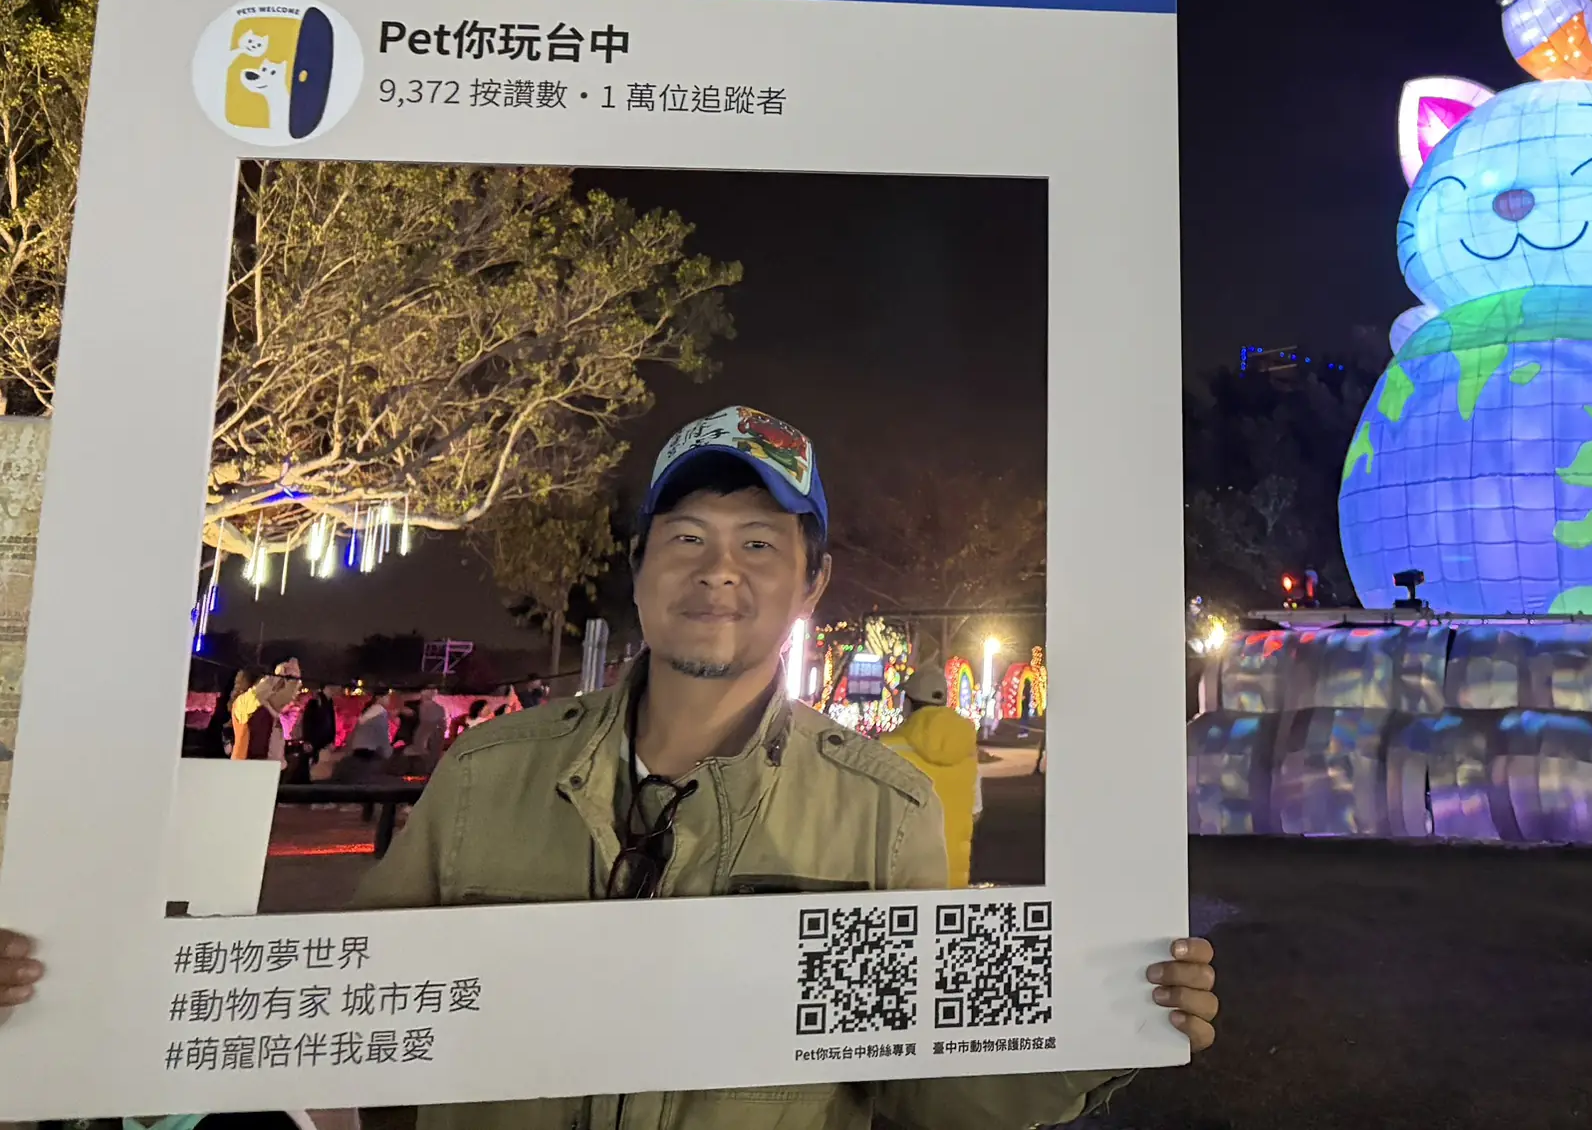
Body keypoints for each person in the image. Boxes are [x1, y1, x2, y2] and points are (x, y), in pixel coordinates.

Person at [318, 403, 1215, 1127]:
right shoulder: (483, 777)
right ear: (638, 564)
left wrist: (1105, 1016)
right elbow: (361, 1026)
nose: (719, 570)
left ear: (811, 583)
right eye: (686, 538)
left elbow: (921, 1085)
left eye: (758, 543)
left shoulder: (882, 813)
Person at [883, 654, 982, 887]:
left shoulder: (887, 747)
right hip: (953, 879)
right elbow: (975, 811)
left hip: (903, 879)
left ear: (908, 703)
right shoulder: (966, 748)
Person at [230, 660, 304, 762]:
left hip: (263, 764)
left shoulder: (264, 706)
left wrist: (291, 675)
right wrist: (278, 677)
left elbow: (282, 696)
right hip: (247, 764)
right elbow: (259, 694)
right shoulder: (242, 706)